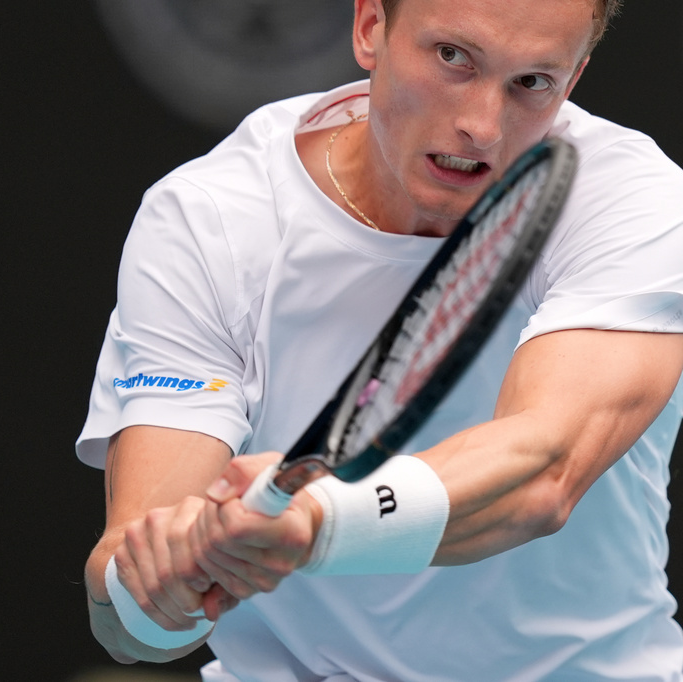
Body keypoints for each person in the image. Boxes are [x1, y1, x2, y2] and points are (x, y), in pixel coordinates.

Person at [78, 0, 683, 678]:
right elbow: (133, 624)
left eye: (532, 83)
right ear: (370, 27)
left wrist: (318, 520)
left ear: (572, 81)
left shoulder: (631, 202)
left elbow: (542, 473)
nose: (481, 126)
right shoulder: (213, 219)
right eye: (454, 58)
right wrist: (162, 583)